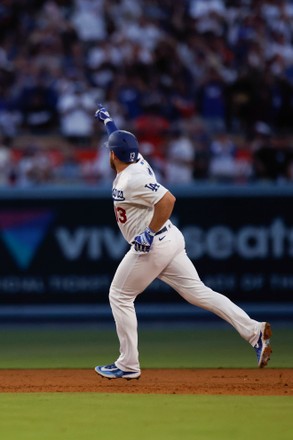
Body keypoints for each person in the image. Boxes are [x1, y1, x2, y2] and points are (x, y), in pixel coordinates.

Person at [94, 104, 272, 380]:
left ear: (113, 155)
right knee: (199, 293)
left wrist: (148, 233)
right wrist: (109, 122)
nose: (109, 152)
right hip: (171, 239)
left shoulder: (131, 178)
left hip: (154, 244)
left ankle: (128, 364)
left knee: (119, 295)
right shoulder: (136, 160)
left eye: (109, 149)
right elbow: (122, 142)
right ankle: (254, 331)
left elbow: (168, 200)